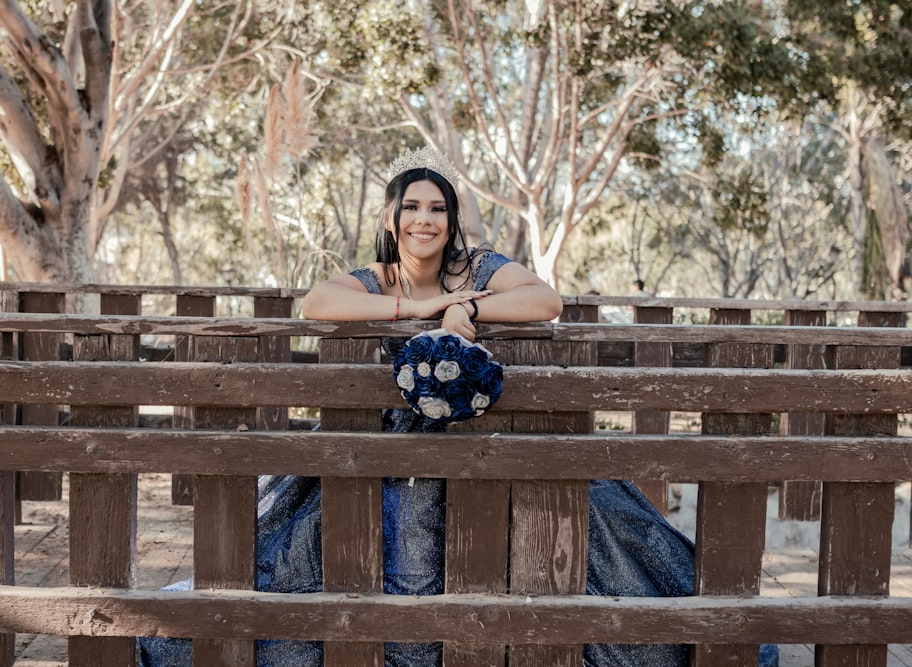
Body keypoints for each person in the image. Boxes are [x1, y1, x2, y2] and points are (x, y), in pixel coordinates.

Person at [138, 147, 777, 667]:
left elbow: (544, 299)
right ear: (391, 220)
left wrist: (465, 307)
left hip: (487, 434)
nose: (425, 219)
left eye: (437, 208)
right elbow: (318, 303)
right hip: (393, 444)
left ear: (451, 219)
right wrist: (416, 310)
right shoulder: (376, 277)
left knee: (603, 534)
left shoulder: (476, 265)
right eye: (411, 207)